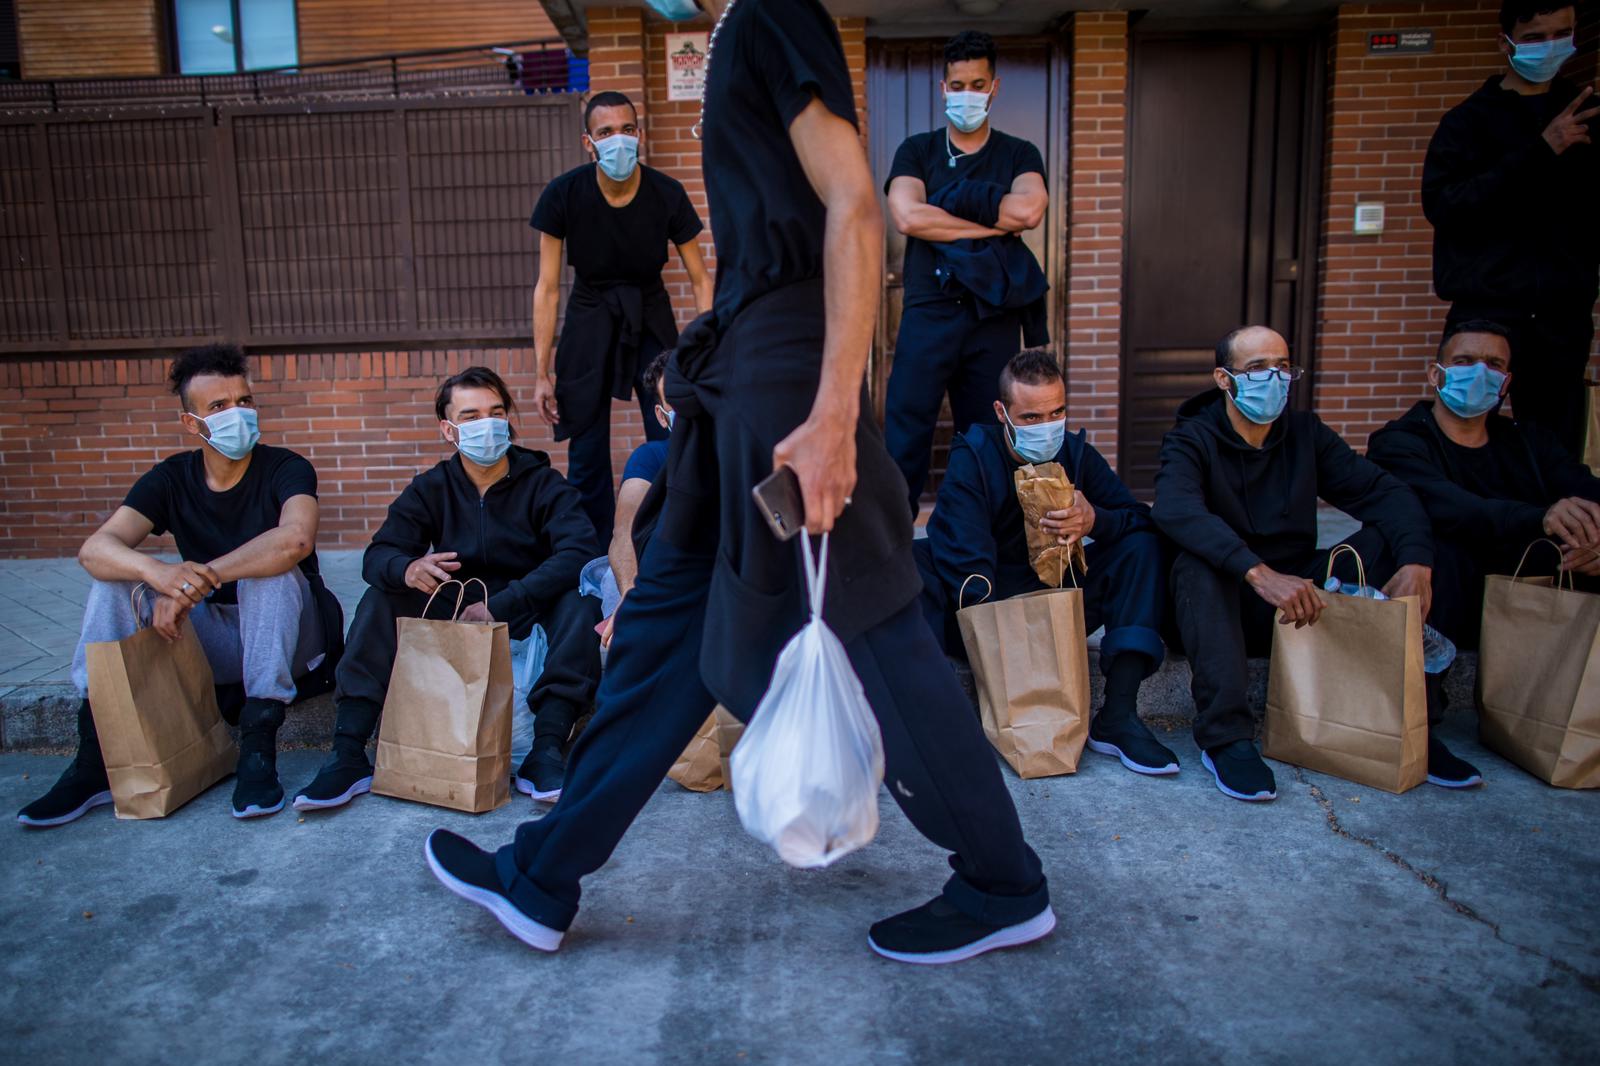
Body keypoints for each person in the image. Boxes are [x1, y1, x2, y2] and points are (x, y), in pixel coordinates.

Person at [424, 0, 1054, 967]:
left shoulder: (774, 12)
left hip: (791, 385)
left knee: (878, 629)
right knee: (666, 625)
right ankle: (543, 874)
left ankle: (1004, 882)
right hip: (739, 379)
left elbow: (851, 202)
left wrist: (836, 414)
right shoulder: (733, 30)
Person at [17, 344, 337, 827]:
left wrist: (191, 584)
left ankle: (257, 751)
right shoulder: (171, 478)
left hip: (287, 637)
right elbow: (95, 550)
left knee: (270, 576)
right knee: (114, 585)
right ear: (193, 424)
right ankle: (93, 761)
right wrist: (160, 576)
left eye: (244, 401)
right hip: (209, 640)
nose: (239, 414)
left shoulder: (285, 466)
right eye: (219, 407)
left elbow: (294, 540)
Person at [1151, 326, 1461, 803]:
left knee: (1388, 540)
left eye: (1282, 366)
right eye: (1256, 368)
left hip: (1303, 600)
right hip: (1225, 608)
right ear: (1223, 378)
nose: (1273, 378)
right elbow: (1175, 509)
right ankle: (1227, 739)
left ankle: (1413, 722)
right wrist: (1257, 572)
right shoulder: (1192, 439)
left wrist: (1418, 562)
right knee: (1197, 563)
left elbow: (1385, 492)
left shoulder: (1304, 434)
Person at [293, 366, 601, 810]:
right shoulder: (431, 488)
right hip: (455, 611)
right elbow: (378, 556)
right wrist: (407, 568)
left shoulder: (543, 484)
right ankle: (346, 754)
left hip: (526, 606)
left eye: (496, 413)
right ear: (448, 429)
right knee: (382, 596)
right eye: (471, 416)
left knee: (581, 598)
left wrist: (503, 604)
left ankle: (546, 750)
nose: (487, 426)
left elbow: (578, 552)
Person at [916, 348, 1176, 776]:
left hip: (1059, 607)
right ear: (1002, 412)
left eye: (1057, 413)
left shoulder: (1075, 454)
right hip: (986, 612)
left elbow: (1137, 519)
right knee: (912, 560)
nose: (1047, 427)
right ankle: (925, 719)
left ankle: (1120, 715)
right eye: (1032, 418)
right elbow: (966, 563)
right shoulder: (974, 458)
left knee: (1140, 545)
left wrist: (1095, 519)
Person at [1368, 320, 1600, 752]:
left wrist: (1594, 540)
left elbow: (1586, 489)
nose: (1480, 373)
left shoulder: (1529, 441)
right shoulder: (1399, 441)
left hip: (1522, 594)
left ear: (1507, 382)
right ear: (1436, 374)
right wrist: (1543, 518)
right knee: (1437, 548)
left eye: (1494, 364)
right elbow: (1453, 508)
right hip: (1446, 596)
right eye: (1465, 361)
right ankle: (1418, 726)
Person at [530, 90, 714, 544]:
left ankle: (671, 537)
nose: (618, 140)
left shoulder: (667, 193)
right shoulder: (563, 194)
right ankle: (591, 550)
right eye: (605, 132)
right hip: (589, 316)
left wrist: (709, 349)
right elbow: (548, 288)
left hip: (650, 313)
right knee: (587, 447)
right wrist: (540, 372)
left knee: (672, 429)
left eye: (627, 130)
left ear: (640, 134)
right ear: (588, 142)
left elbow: (700, 277)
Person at [1421, 0, 1599, 457]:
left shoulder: (1587, 113)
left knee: (1555, 442)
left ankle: (1549, 526)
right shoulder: (1467, 122)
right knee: (1466, 429)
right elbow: (1445, 205)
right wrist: (1543, 150)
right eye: (1536, 37)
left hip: (1562, 310)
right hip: (1487, 306)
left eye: (1561, 34)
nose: (1550, 47)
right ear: (1507, 43)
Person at [883, 30, 1050, 514]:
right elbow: (907, 216)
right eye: (957, 85)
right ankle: (894, 550)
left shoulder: (1019, 153)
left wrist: (945, 216)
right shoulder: (917, 150)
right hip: (927, 312)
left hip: (992, 315)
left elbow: (1029, 212)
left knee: (990, 439)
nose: (967, 94)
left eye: (977, 84)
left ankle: (981, 540)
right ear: (943, 89)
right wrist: (988, 224)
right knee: (904, 435)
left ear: (994, 87)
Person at [599, 351, 674, 650]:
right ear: (661, 415)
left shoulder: (743, 451)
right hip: (664, 582)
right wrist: (631, 592)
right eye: (676, 400)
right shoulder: (652, 457)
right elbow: (625, 529)